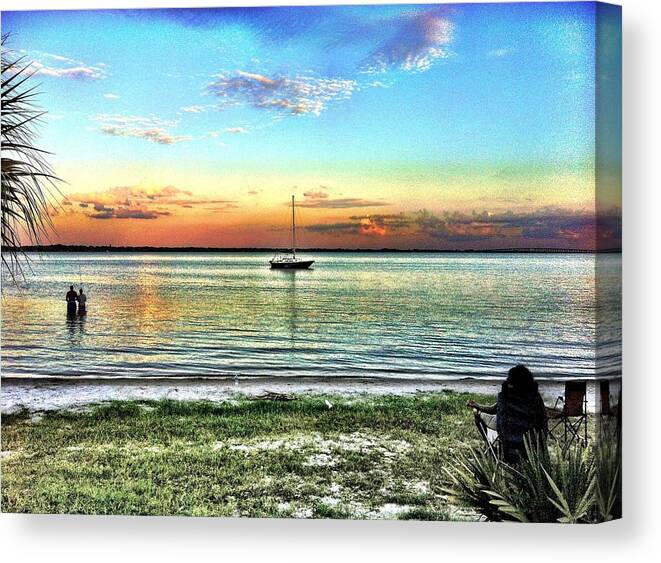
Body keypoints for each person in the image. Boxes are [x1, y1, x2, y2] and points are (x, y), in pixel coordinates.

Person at [468, 364, 547, 463]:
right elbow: (543, 420)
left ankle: (488, 446)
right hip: (532, 444)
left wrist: (477, 406)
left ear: (511, 380)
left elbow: (493, 410)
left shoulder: (506, 396)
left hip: (509, 436)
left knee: (477, 414)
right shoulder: (535, 397)